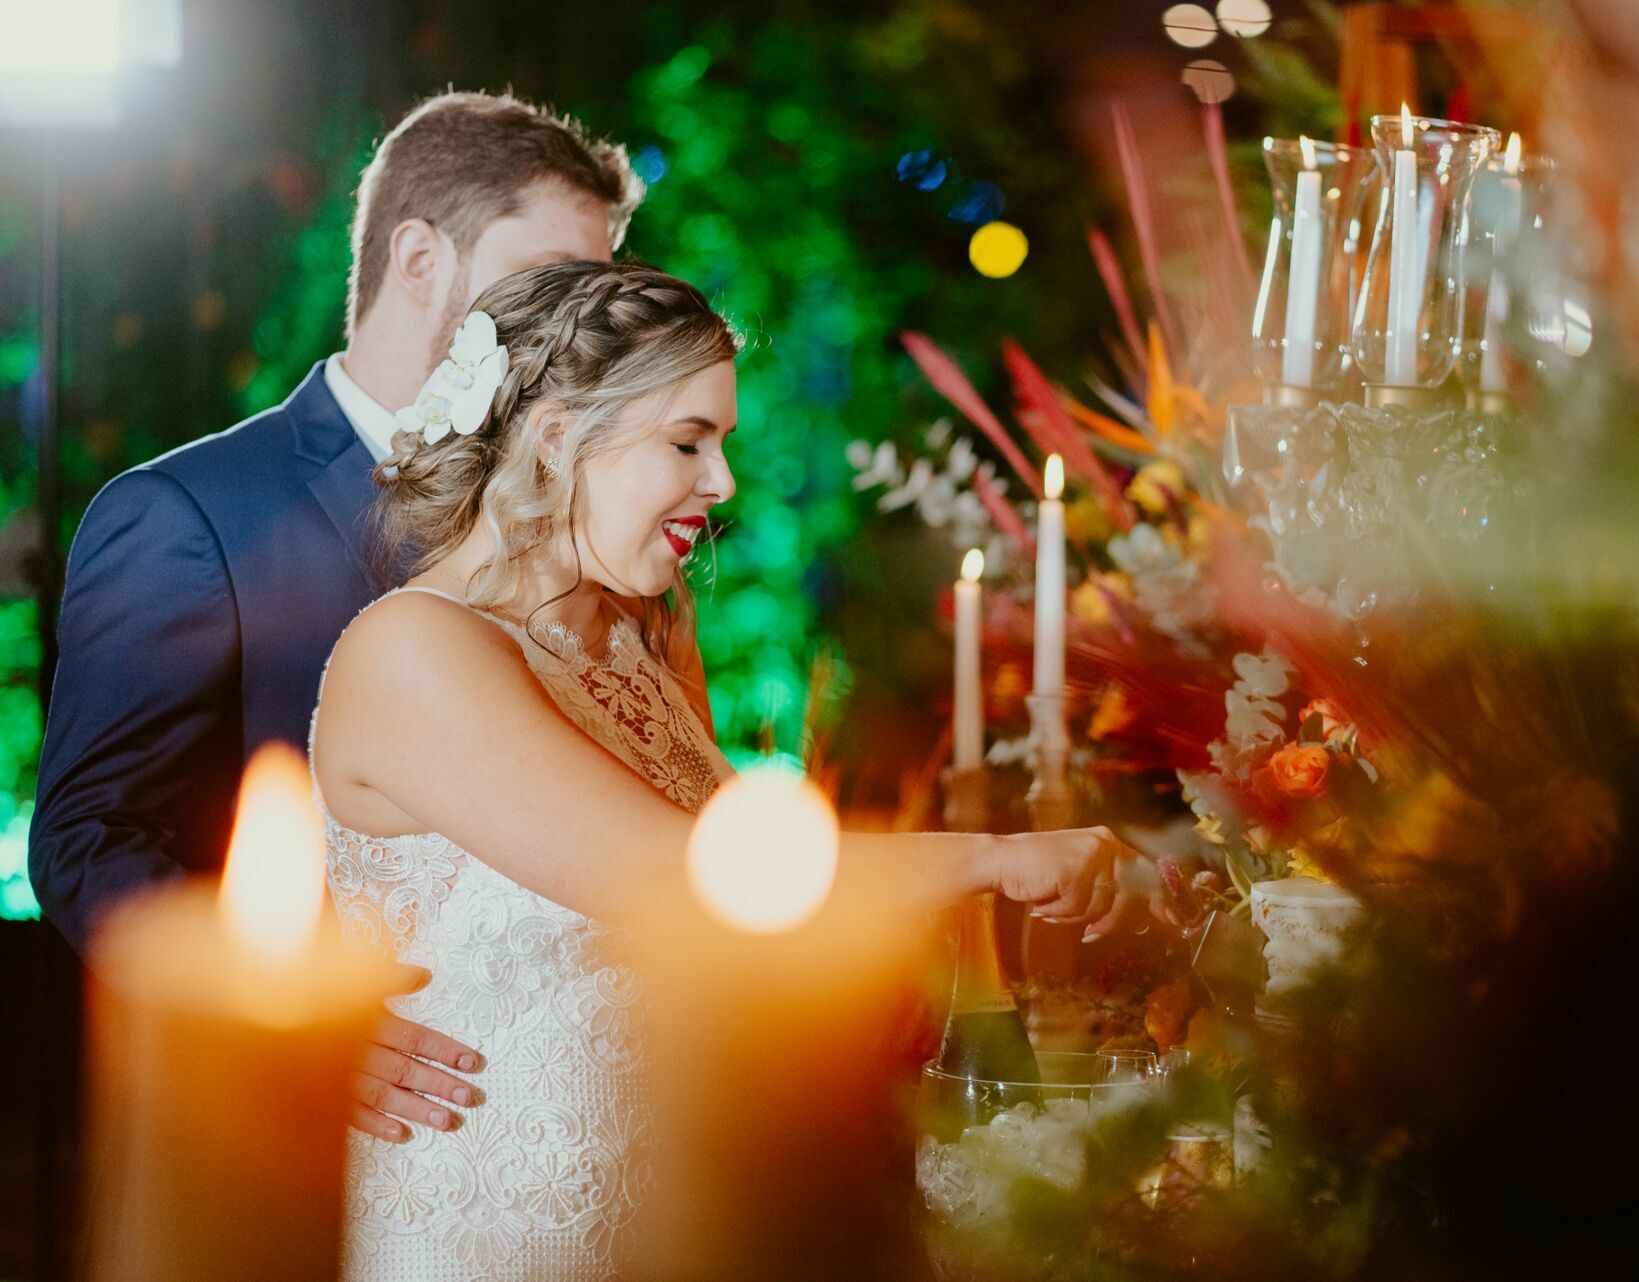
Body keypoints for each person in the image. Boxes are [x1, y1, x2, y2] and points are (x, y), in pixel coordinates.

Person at [312, 258, 1148, 1280]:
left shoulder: (647, 630)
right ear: (557, 437)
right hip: (491, 1238)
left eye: (723, 443)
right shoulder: (412, 650)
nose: (723, 484)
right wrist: (992, 859)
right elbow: (686, 880)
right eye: (687, 442)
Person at [29, 90, 640, 1144]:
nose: (574, 324)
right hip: (291, 1120)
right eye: (549, 280)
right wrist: (292, 1015)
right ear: (420, 259)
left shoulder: (575, 521)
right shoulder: (188, 513)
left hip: (558, 1111)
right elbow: (89, 840)